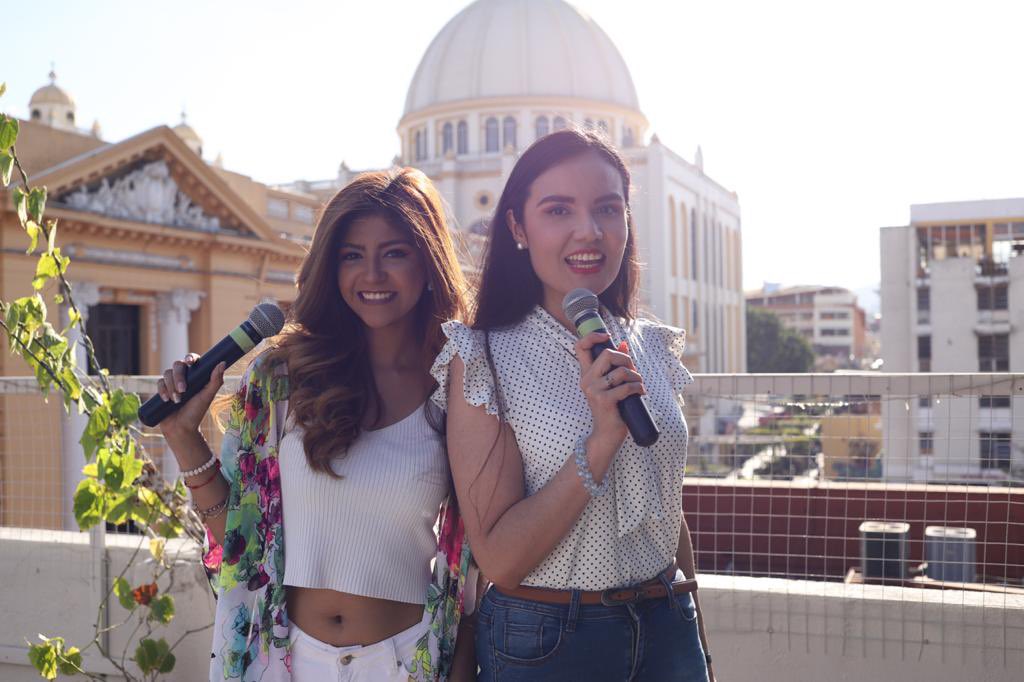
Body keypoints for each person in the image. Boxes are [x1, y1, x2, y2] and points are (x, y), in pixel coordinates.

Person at [156, 168, 476, 681]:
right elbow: (244, 544)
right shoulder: (282, 378)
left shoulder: (458, 381)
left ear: (428, 261)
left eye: (394, 252)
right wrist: (181, 436)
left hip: (405, 661)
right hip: (288, 659)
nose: (371, 274)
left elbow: (471, 570)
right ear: (331, 267)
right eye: (352, 255)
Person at [432, 129, 714, 681]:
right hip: (551, 641)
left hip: (667, 627)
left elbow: (666, 502)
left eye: (608, 209)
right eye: (558, 210)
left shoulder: (649, 345)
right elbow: (501, 559)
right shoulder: (484, 357)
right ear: (517, 226)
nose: (589, 231)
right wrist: (600, 442)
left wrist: (693, 625)